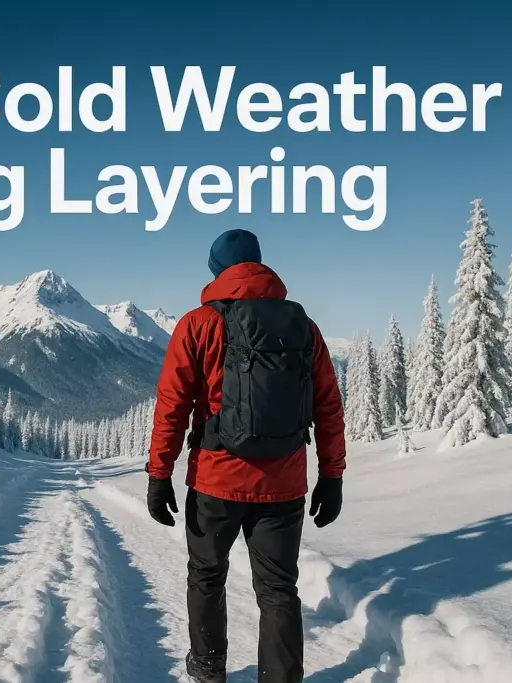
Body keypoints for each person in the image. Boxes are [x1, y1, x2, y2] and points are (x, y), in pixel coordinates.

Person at [145, 229, 346, 683]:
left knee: (207, 575)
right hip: (284, 484)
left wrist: (160, 474)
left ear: (218, 271)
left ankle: (208, 670)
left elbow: (172, 405)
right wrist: (331, 476)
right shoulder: (304, 326)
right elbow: (328, 405)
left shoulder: (197, 324)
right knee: (278, 590)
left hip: (215, 482)